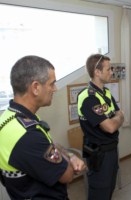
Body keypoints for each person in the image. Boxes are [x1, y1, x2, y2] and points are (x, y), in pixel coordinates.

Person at [0, 55, 86, 199]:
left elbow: (50, 145)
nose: (55, 89)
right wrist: (70, 160)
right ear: (35, 87)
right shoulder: (28, 136)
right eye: (52, 84)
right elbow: (67, 175)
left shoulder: (12, 118)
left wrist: (69, 155)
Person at [77, 54, 124, 200]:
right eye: (108, 69)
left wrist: (118, 118)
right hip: (98, 153)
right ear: (97, 72)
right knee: (99, 192)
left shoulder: (106, 93)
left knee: (109, 189)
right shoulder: (88, 97)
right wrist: (118, 119)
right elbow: (110, 127)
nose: (111, 72)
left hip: (111, 149)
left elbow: (120, 114)